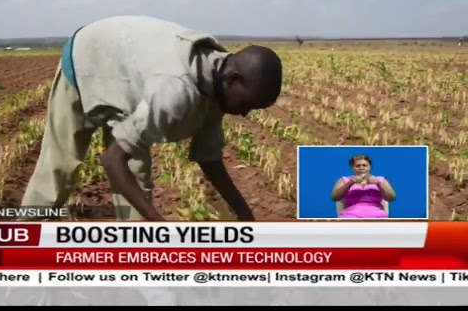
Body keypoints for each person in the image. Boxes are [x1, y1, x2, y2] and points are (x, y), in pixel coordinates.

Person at [21, 15, 283, 222]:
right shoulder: (174, 93)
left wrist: (244, 213)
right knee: (58, 169)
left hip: (130, 74)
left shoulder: (219, 80)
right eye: (248, 105)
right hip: (89, 58)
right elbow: (112, 160)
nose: (246, 113)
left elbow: (210, 159)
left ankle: (137, 262)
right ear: (233, 80)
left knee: (136, 175)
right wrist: (160, 226)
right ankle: (20, 248)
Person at [331, 155, 397, 219]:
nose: (361, 167)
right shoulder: (345, 180)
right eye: (358, 166)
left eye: (364, 165)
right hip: (350, 216)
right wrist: (350, 183)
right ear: (352, 167)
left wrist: (379, 184)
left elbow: (391, 198)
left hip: (377, 217)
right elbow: (335, 198)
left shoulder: (380, 180)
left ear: (370, 167)